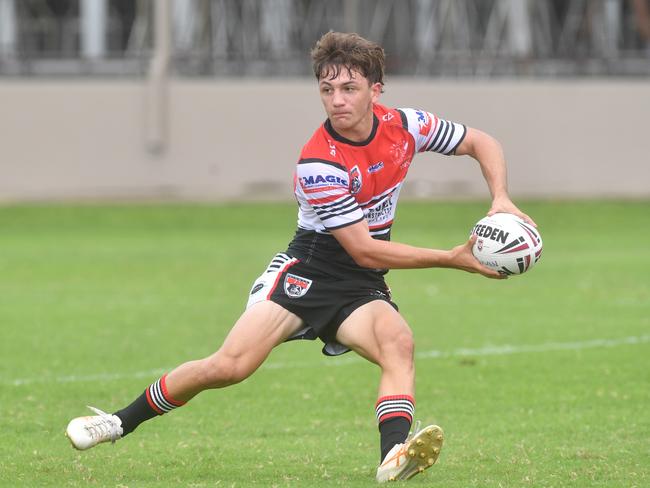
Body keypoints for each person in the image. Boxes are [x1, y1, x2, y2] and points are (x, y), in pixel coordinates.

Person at [66, 31, 536, 483]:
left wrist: (501, 199)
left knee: (399, 344)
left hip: (361, 285)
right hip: (307, 274)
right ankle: (118, 421)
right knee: (230, 366)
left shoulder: (406, 126)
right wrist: (453, 257)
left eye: (349, 88)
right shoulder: (319, 161)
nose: (337, 100)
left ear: (376, 89)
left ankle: (392, 456)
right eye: (327, 88)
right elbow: (363, 246)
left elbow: (481, 141)